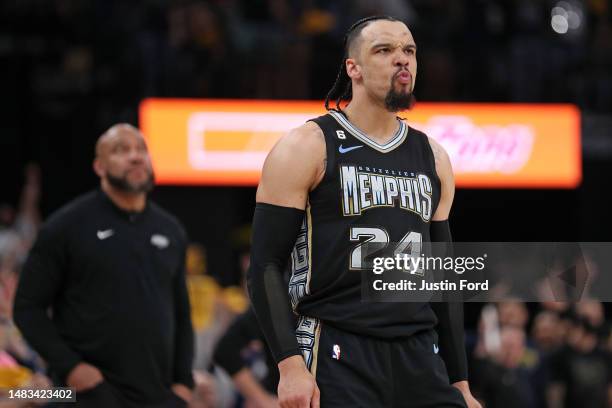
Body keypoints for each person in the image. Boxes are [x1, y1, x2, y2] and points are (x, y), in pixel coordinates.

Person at [248, 15, 481, 408]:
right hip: (338, 345)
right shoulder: (307, 145)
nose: (402, 60)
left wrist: (459, 381)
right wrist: (289, 365)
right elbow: (264, 263)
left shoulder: (434, 156)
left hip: (418, 351)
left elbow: (443, 280)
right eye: (384, 50)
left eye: (409, 50)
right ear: (352, 68)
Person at [13, 124, 194, 408]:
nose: (135, 157)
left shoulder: (171, 230)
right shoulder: (65, 227)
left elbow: (182, 313)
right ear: (99, 167)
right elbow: (26, 307)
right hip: (88, 396)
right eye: (121, 150)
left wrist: (184, 383)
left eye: (141, 149)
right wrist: (72, 367)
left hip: (157, 396)